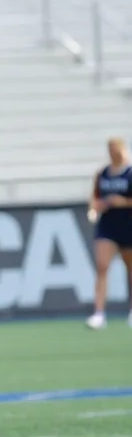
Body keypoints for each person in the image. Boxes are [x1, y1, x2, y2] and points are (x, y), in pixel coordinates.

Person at [86, 137, 132, 329]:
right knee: (102, 266)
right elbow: (94, 197)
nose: (114, 152)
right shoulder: (102, 174)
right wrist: (95, 208)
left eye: (117, 148)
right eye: (111, 149)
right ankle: (99, 313)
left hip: (128, 225)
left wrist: (121, 202)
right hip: (108, 226)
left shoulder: (129, 173)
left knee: (130, 269)